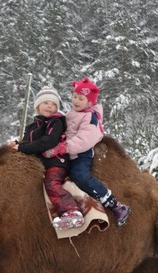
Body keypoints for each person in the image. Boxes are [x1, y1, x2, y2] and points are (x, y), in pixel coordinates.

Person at [47, 78, 131, 226]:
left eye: (81, 98)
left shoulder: (90, 117)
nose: (76, 100)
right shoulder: (73, 113)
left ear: (90, 102)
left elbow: (85, 139)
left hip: (81, 155)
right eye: (74, 96)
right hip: (69, 154)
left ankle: (114, 204)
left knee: (79, 176)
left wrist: (63, 147)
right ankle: (65, 207)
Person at [9, 86, 84, 230]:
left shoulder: (56, 122)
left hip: (56, 161)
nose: (50, 106)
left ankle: (71, 211)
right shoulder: (32, 126)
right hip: (40, 165)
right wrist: (17, 144)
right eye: (46, 102)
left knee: (51, 183)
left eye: (53, 104)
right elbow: (29, 143)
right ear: (38, 105)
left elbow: (49, 141)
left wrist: (22, 148)